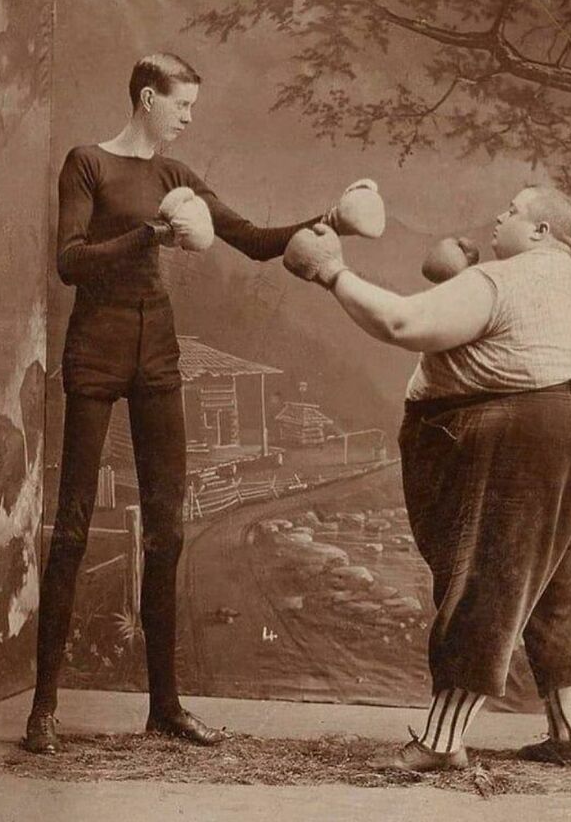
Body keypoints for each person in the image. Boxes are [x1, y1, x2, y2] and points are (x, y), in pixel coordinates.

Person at [25, 52, 372, 754]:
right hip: (95, 348)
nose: (189, 117)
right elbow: (69, 261)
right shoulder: (86, 162)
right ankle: (42, 712)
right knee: (70, 528)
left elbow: (249, 241)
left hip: (157, 355)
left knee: (168, 530)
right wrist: (152, 234)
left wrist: (327, 218)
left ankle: (165, 707)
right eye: (182, 104)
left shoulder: (175, 176)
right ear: (148, 98)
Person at [283, 185, 571, 771]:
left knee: (488, 580)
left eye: (513, 210)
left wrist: (331, 273)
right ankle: (570, 735)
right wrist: (456, 284)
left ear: (541, 233)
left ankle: (441, 743)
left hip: (537, 436)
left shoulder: (503, 280)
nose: (498, 215)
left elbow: (400, 324)